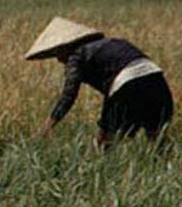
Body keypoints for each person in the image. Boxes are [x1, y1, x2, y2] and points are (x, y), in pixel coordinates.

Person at [27, 17, 174, 145]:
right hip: (156, 79)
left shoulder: (76, 55)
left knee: (104, 142)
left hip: (126, 84)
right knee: (156, 137)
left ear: (67, 46)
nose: (59, 60)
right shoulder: (114, 42)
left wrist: (47, 126)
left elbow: (69, 94)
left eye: (58, 53)